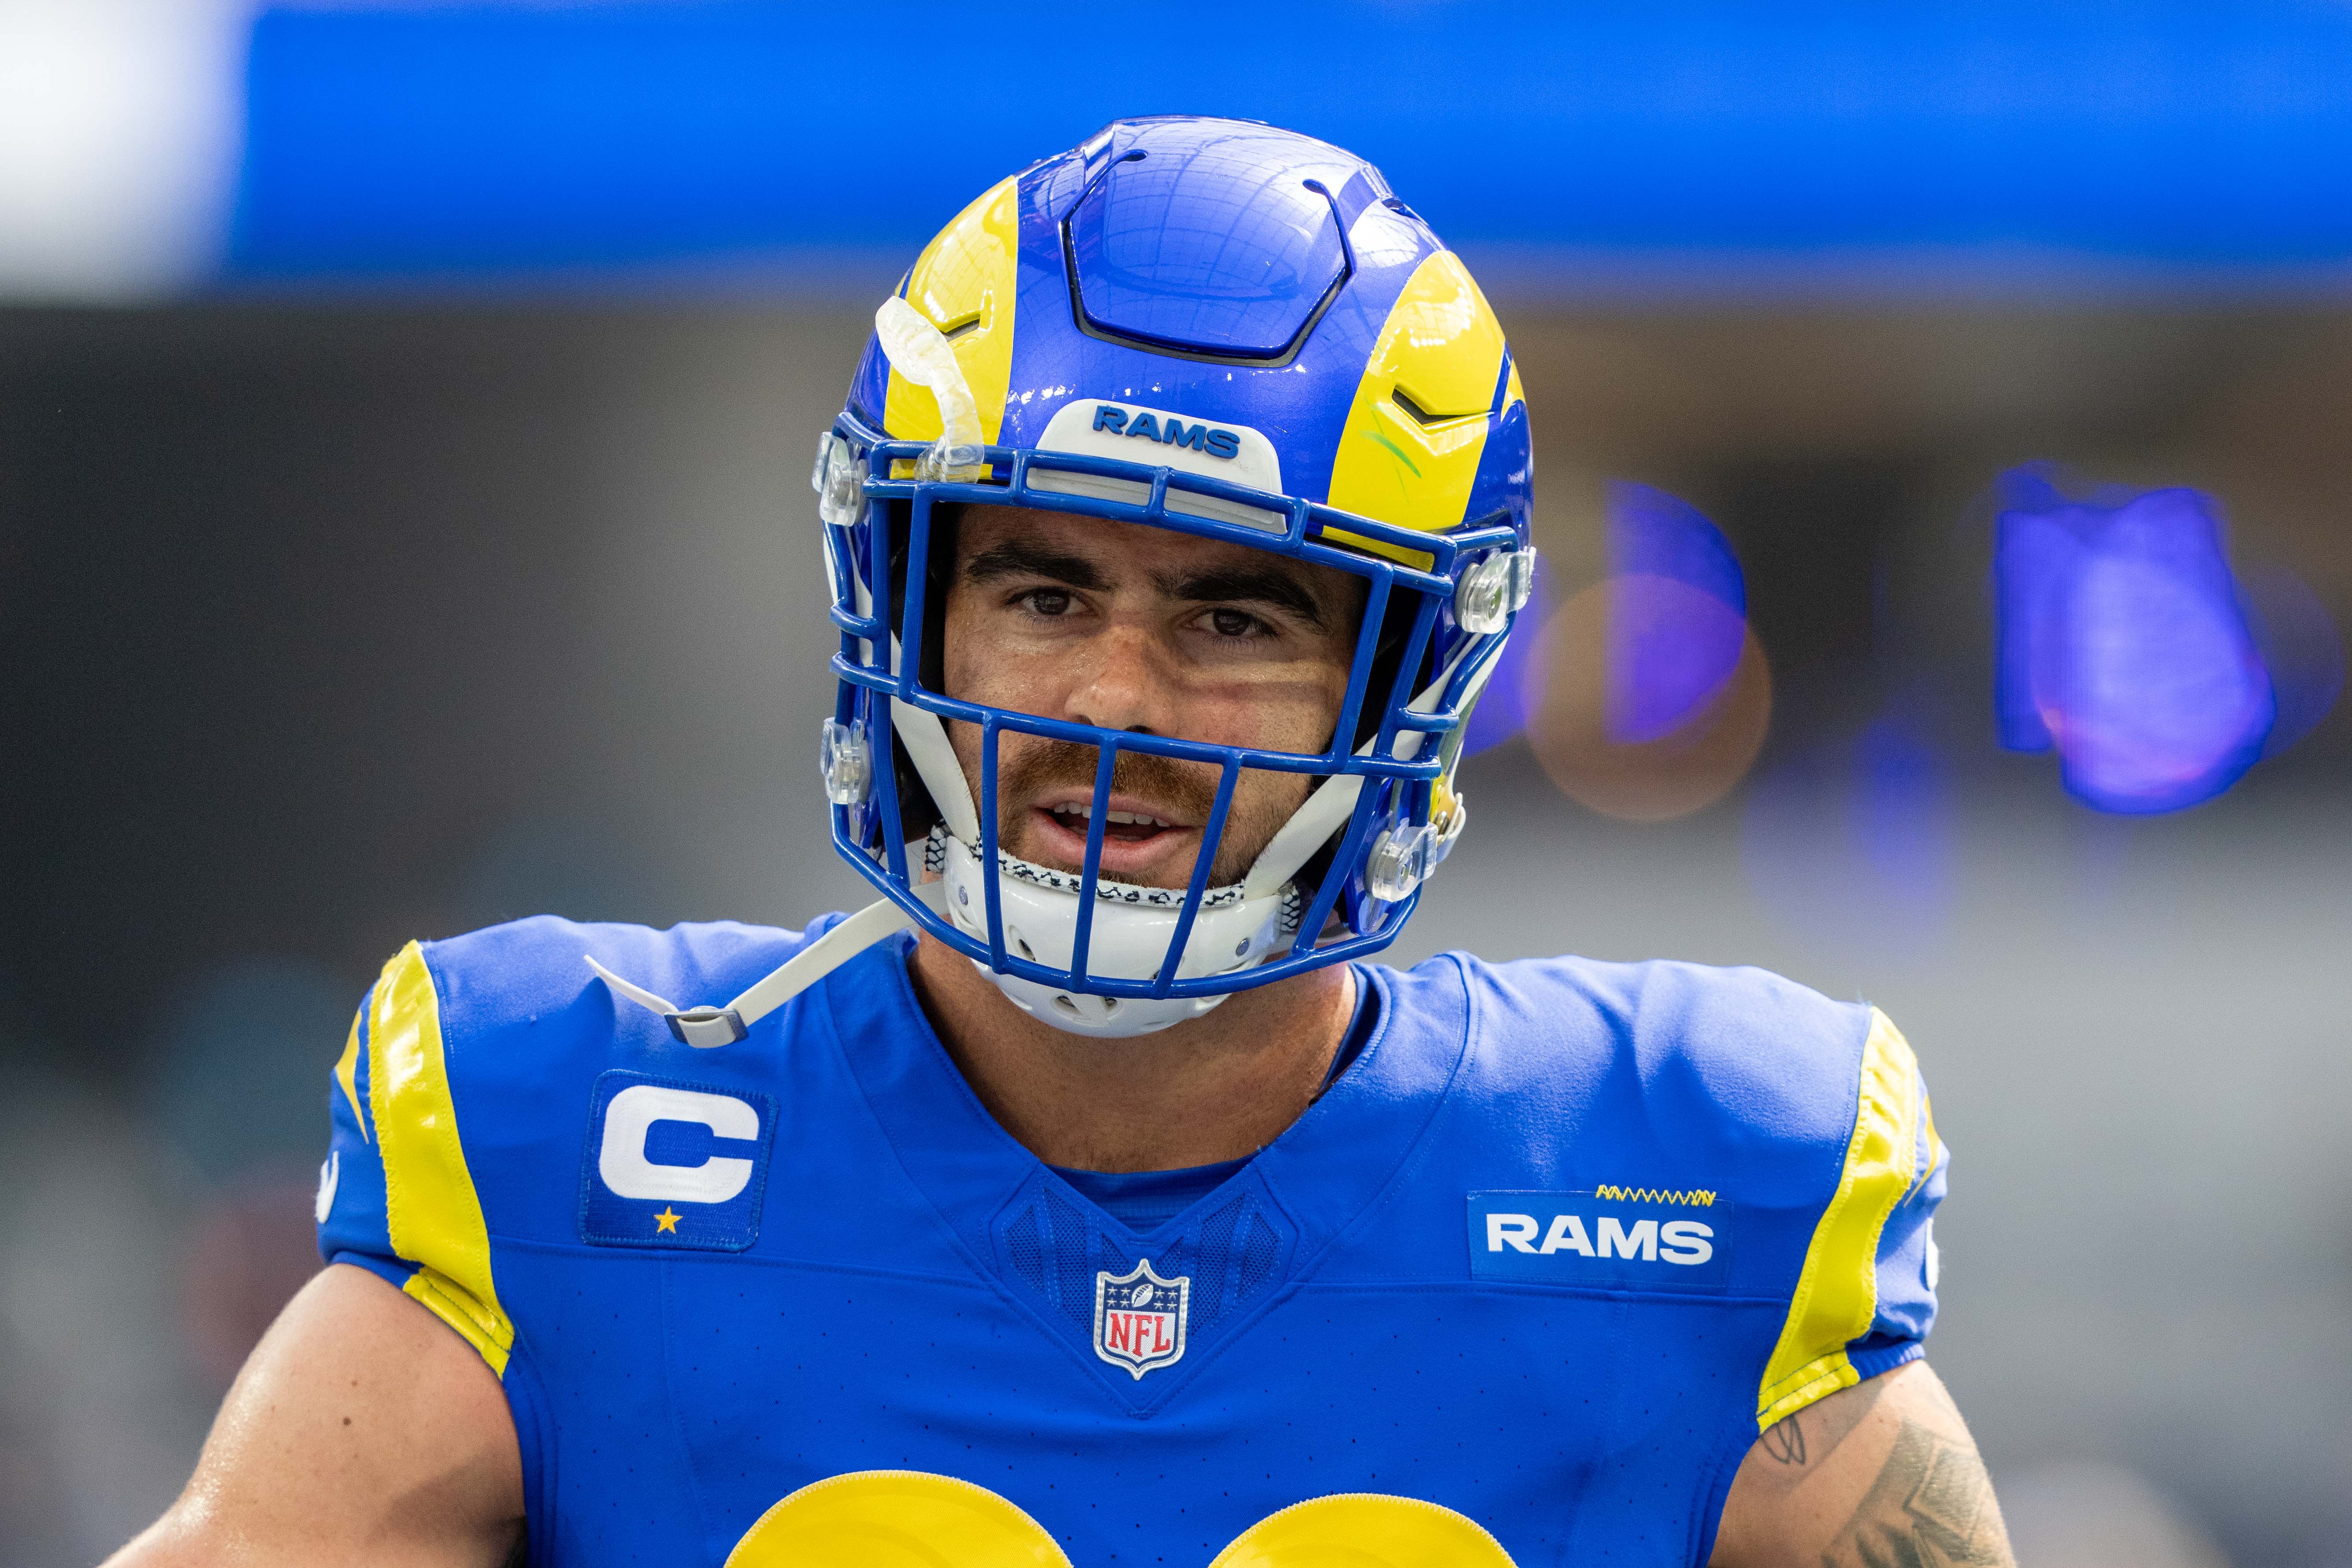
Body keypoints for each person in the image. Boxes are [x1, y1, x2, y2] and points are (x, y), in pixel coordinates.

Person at [108, 117, 2013, 1568]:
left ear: (1407, 681)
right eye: (1037, 589)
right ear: (909, 609)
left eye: (1236, 619)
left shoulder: (1700, 1179)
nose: (1111, 701)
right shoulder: (558, 1126)